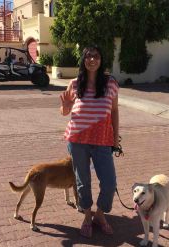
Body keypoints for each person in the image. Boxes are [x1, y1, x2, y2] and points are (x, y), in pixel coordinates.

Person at [60, 45, 119, 238]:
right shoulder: (75, 84)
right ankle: (87, 216)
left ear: (101, 60)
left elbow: (114, 111)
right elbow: (65, 112)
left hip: (103, 140)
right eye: (88, 56)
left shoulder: (110, 83)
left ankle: (100, 215)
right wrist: (65, 106)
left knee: (109, 182)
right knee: (82, 181)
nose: (92, 59)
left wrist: (115, 138)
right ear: (83, 60)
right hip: (78, 140)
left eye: (96, 56)